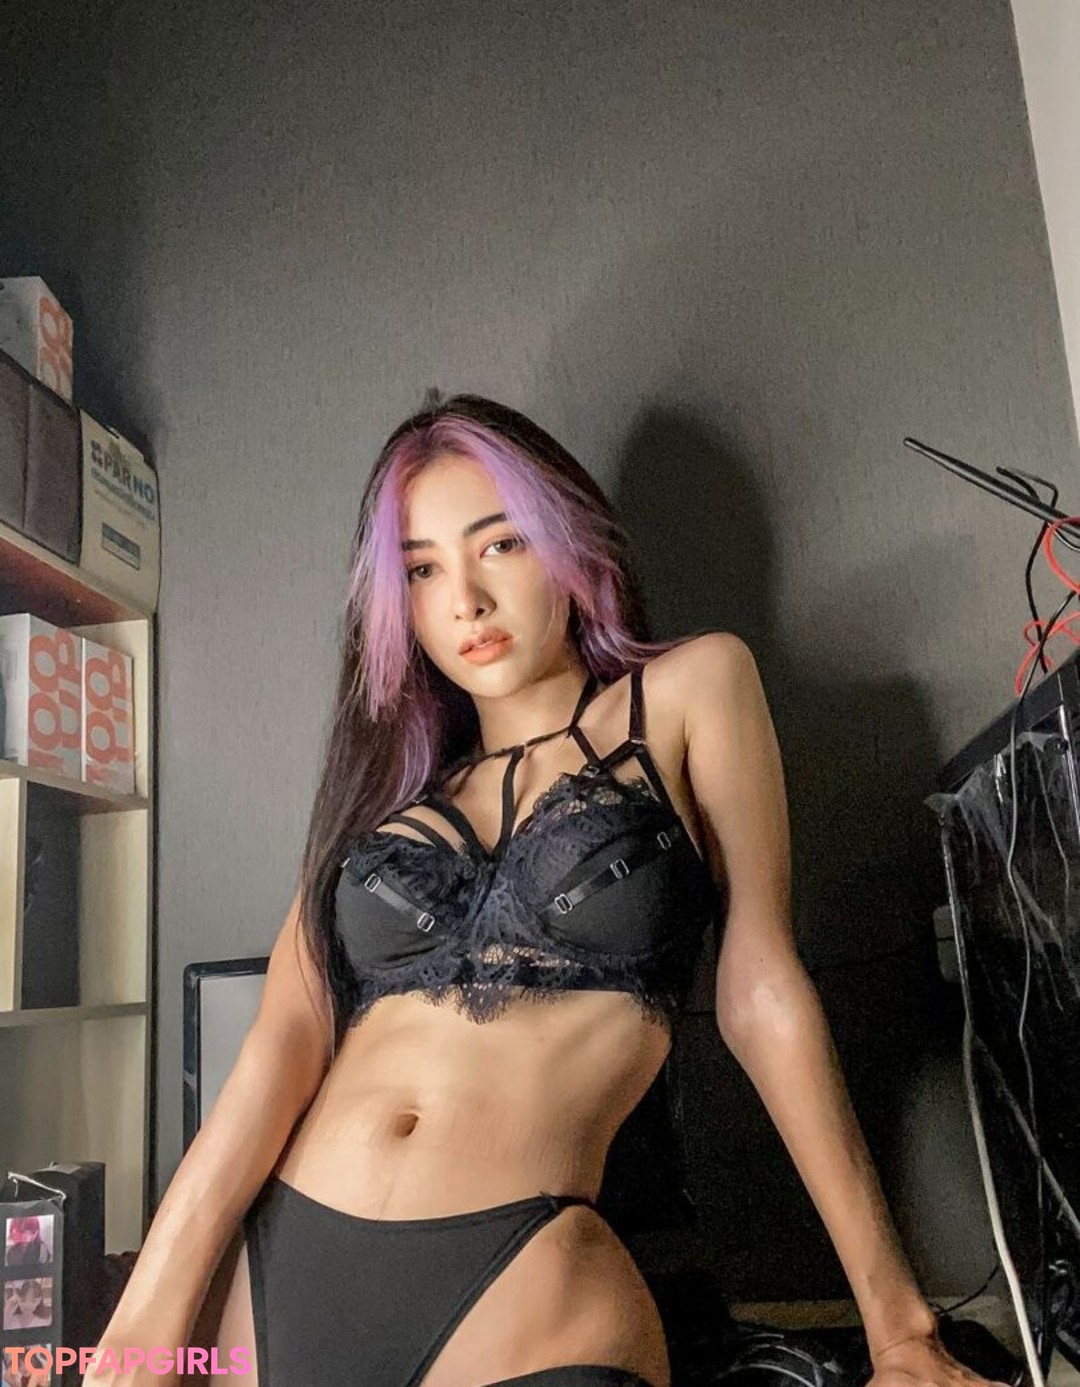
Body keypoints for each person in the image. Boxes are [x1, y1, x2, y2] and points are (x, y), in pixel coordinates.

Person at [86, 394, 1006, 1387]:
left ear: (569, 542)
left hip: (518, 1287)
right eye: (423, 569)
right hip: (276, 1278)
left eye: (502, 544)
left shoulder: (690, 691)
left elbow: (761, 989)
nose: (466, 602)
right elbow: (280, 1047)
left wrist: (899, 1326)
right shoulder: (388, 796)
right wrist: (142, 1327)